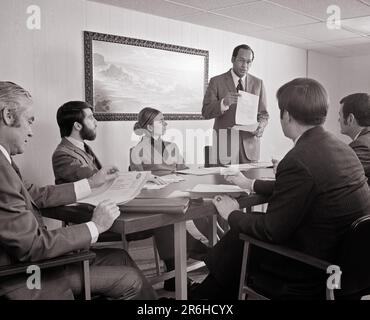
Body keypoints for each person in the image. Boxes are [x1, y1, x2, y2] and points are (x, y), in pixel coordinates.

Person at [190, 78, 370, 299]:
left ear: (286, 115)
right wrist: (250, 184)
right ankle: (207, 293)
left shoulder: (298, 159)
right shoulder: (341, 149)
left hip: (312, 270)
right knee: (239, 244)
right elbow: (303, 186)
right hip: (350, 266)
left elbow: (270, 230)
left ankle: (202, 297)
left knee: (240, 236)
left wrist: (231, 213)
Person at [0, 82, 156, 300]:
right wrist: (95, 225)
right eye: (29, 121)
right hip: (26, 276)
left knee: (120, 257)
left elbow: (36, 194)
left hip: (33, 261)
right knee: (131, 279)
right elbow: (33, 246)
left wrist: (91, 183)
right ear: (8, 115)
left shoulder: (6, 162)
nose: (31, 131)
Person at [130, 107, 210, 290]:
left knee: (205, 203)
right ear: (149, 127)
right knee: (169, 215)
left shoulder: (172, 147)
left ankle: (213, 248)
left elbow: (185, 170)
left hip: (178, 191)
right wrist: (150, 178)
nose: (166, 124)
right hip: (157, 198)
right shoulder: (136, 151)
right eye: (161, 121)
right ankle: (195, 255)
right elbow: (137, 180)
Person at [202, 44, 269, 165]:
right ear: (233, 59)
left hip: (250, 148)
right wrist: (223, 103)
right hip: (224, 147)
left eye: (249, 62)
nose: (245, 66)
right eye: (241, 61)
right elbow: (205, 112)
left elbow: (263, 114)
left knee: (249, 183)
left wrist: (261, 127)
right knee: (223, 183)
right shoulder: (216, 81)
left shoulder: (258, 83)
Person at [339, 93, 370, 185]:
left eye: (340, 115)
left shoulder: (362, 145)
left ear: (350, 119)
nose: (338, 120)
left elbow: (338, 175)